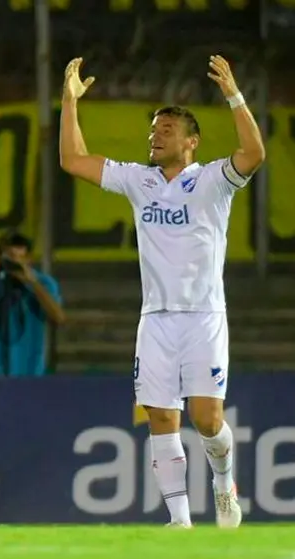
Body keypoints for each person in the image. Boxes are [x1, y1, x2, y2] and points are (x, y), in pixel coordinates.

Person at [59, 55, 265, 528]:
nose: (156, 135)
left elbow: (253, 153)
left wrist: (233, 95)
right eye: (154, 128)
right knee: (160, 416)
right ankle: (180, 521)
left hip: (204, 316)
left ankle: (223, 484)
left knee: (207, 420)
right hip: (155, 318)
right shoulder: (140, 180)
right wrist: (69, 102)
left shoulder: (213, 180)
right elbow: (73, 160)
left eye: (167, 128)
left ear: (191, 141)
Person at [0, 230, 64, 376]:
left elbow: (59, 318)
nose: (15, 264)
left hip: (30, 371)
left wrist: (32, 282)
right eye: (10, 258)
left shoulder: (44, 283)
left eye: (20, 258)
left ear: (29, 259)